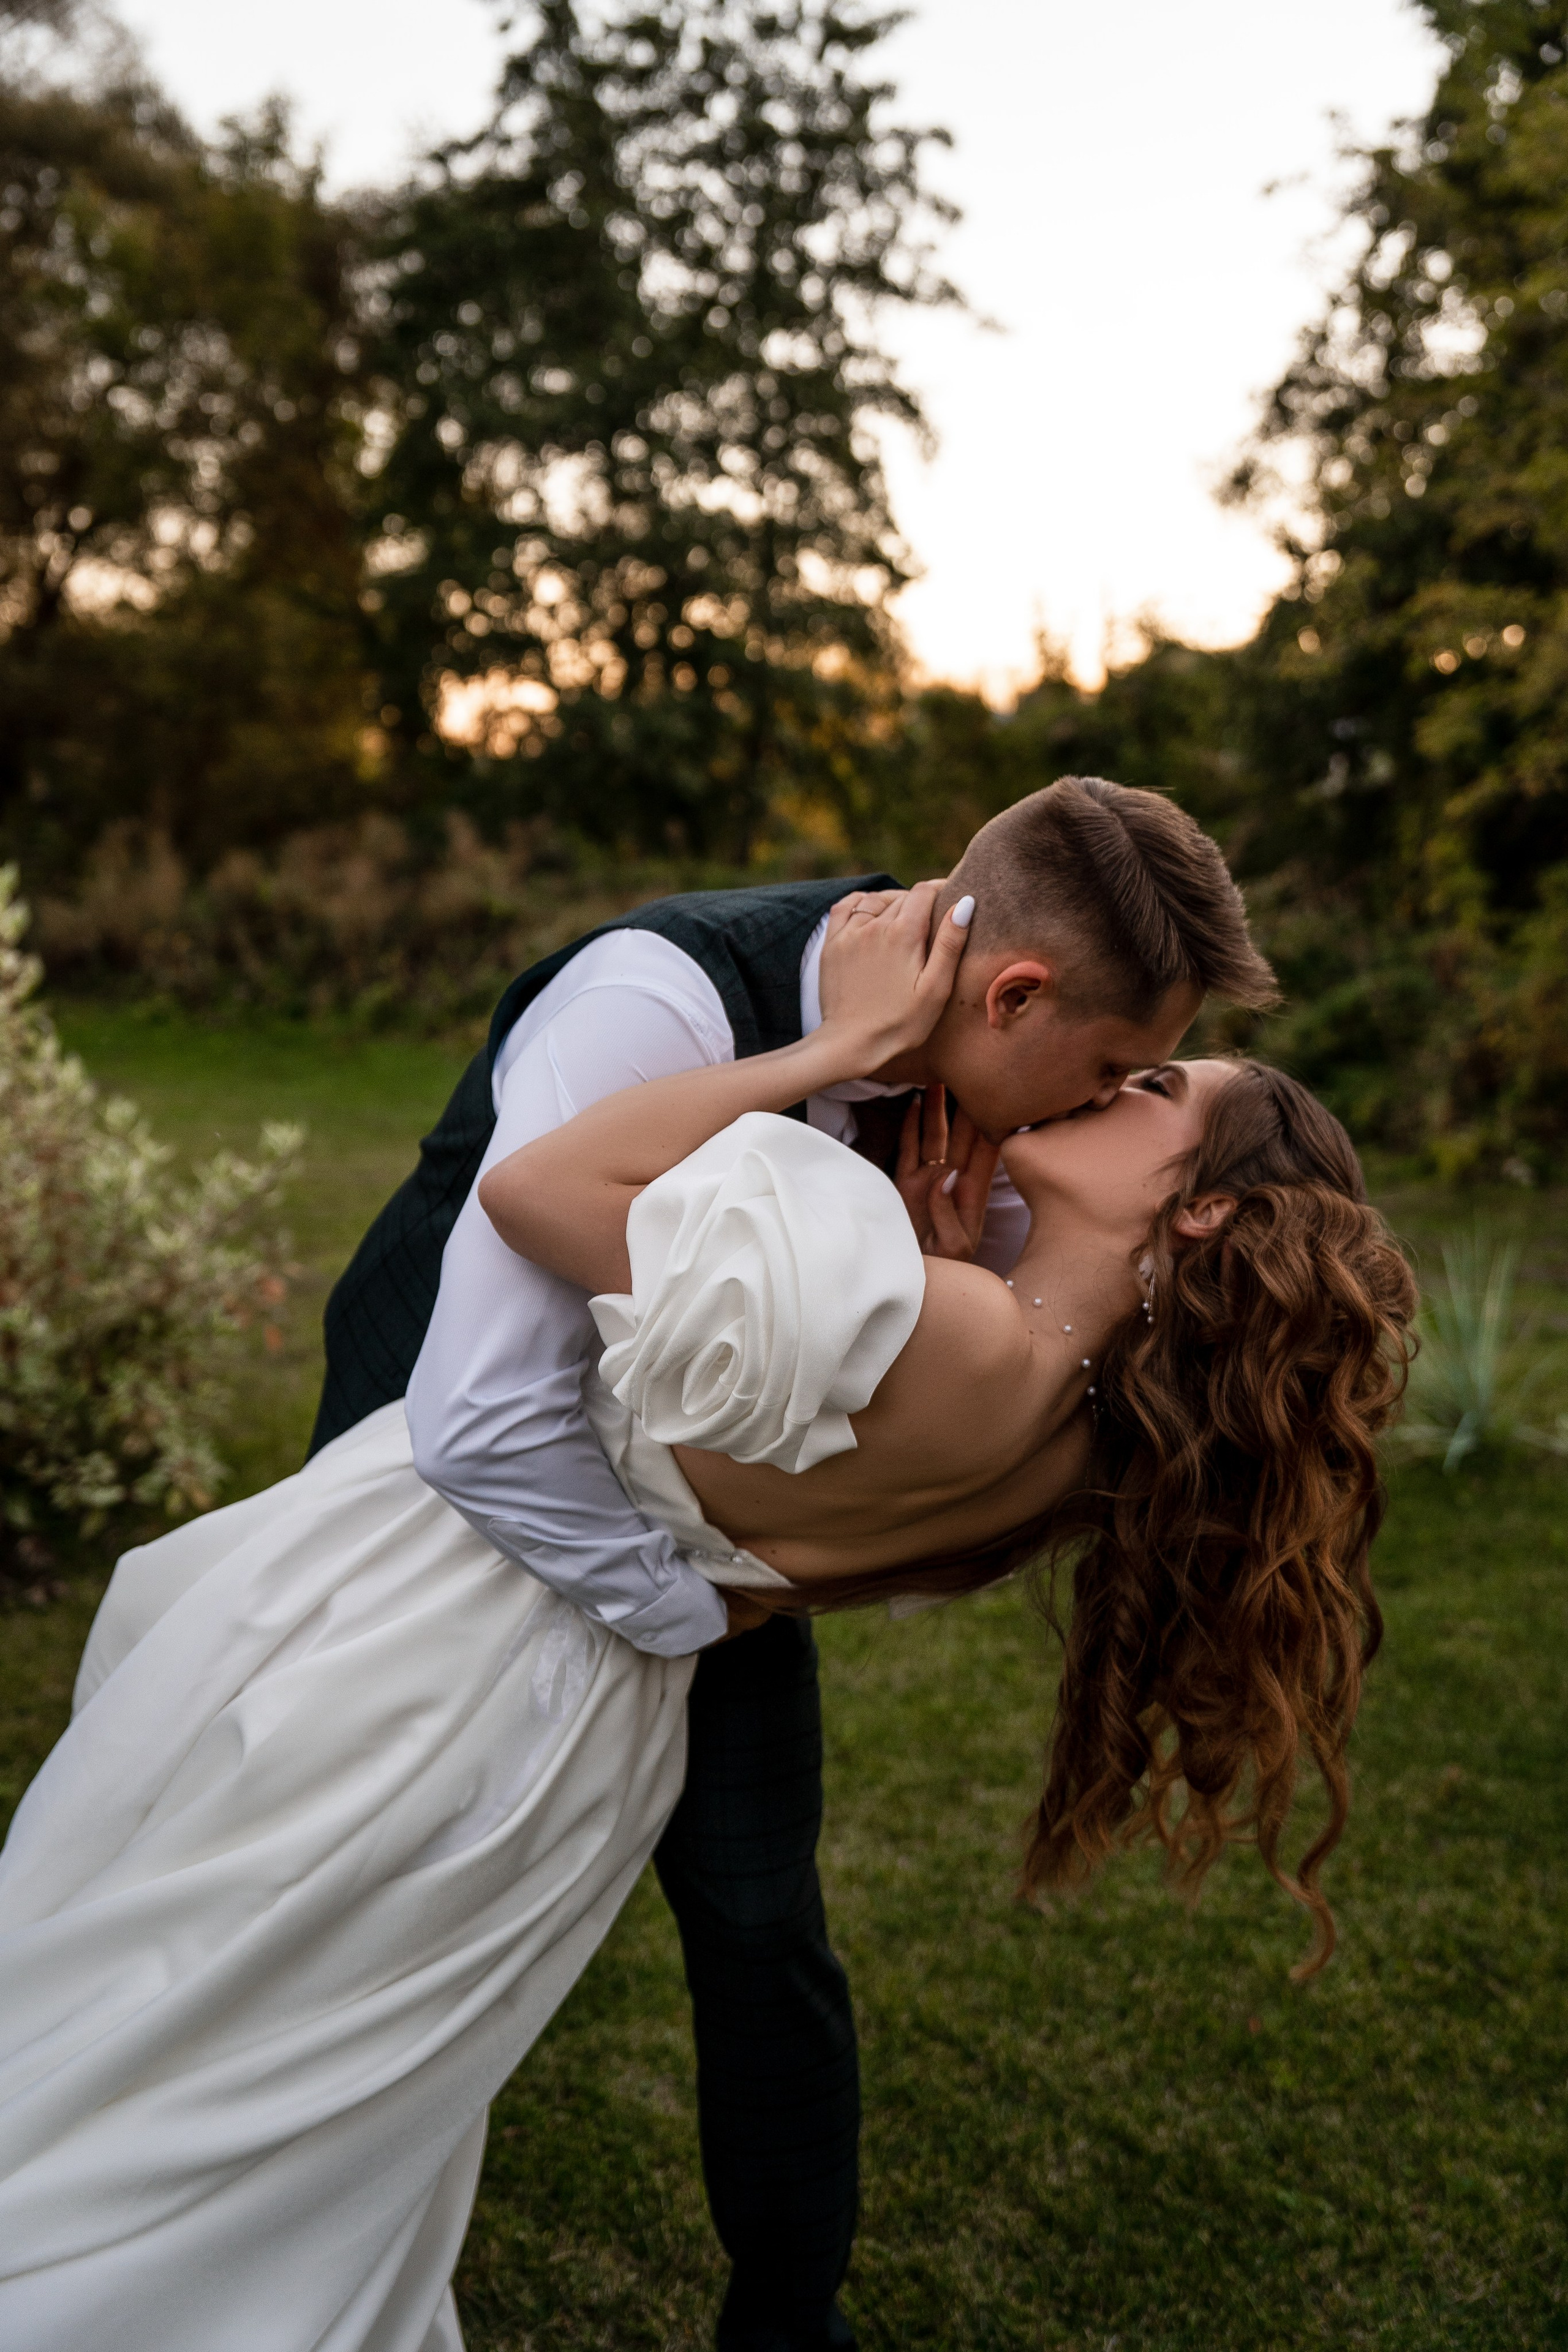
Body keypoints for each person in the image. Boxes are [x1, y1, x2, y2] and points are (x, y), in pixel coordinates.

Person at [0, 880, 1415, 2352]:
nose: (1112, 1089)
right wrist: (912, 1270)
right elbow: (818, 1572)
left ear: (1198, 1203)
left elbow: (535, 1189)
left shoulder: (917, 1306)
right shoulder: (1081, 1433)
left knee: (183, 1978)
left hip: (439, 1632)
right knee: (322, 2052)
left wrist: (823, 1063)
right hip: (606, 1725)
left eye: (1153, 1089)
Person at [307, 776, 1280, 2352]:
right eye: (1103, 1070)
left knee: (764, 1930)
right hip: (432, 1509)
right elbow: (480, 1420)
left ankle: (788, 2319)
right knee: (363, 1898)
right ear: (1014, 993)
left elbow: (1007, 1358)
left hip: (709, 1541)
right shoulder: (658, 1004)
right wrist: (709, 1606)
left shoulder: (985, 1107)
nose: (1088, 1110)